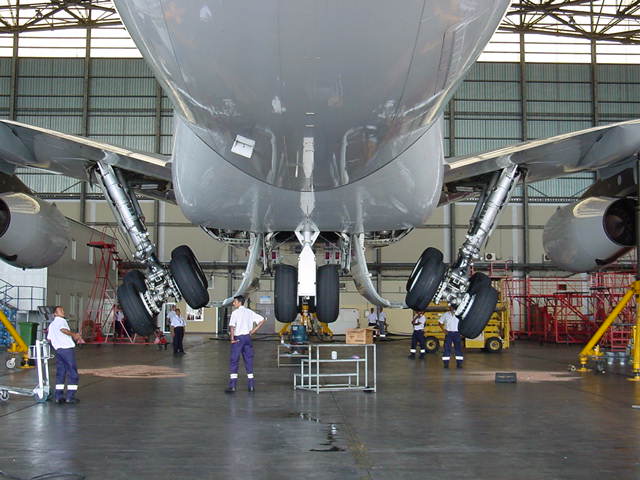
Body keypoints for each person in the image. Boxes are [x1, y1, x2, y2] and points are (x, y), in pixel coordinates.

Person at [225, 295, 265, 393]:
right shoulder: (249, 312)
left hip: (238, 339)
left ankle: (232, 386)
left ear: (239, 302)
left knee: (234, 361)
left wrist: (232, 339)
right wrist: (253, 330)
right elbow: (262, 320)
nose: (233, 303)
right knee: (248, 360)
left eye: (235, 302)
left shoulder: (235, 313)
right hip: (247, 338)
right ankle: (251, 386)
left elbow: (232, 327)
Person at [46, 306, 84, 404]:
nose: (63, 311)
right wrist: (74, 335)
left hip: (58, 350)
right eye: (60, 310)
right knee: (72, 373)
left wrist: (56, 343)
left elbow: (49, 339)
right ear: (55, 314)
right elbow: (63, 330)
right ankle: (70, 397)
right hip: (67, 350)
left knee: (61, 372)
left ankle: (58, 396)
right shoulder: (61, 320)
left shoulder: (51, 325)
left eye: (63, 310)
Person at [439, 304, 464, 369]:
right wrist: (443, 330)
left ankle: (459, 364)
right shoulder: (446, 314)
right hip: (448, 334)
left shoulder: (460, 314)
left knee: (458, 349)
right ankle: (446, 364)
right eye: (450, 307)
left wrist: (462, 332)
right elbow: (440, 322)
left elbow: (463, 323)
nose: (451, 308)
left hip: (457, 333)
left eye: (452, 307)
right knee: (447, 349)